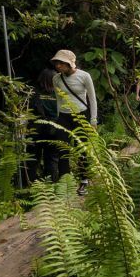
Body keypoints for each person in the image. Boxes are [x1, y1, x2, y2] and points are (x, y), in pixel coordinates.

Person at [50, 49, 97, 195]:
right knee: (63, 149)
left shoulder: (84, 76)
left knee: (81, 148)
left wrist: (93, 120)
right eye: (57, 62)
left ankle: (84, 181)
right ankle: (66, 182)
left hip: (81, 115)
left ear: (70, 63)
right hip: (63, 116)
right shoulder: (56, 79)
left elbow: (92, 99)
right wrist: (58, 118)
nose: (58, 65)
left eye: (61, 63)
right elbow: (59, 99)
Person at [26, 68, 58, 183]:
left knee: (32, 158)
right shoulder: (59, 93)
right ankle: (52, 186)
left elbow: (28, 111)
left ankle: (30, 185)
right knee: (52, 159)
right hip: (54, 129)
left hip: (36, 130)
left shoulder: (34, 92)